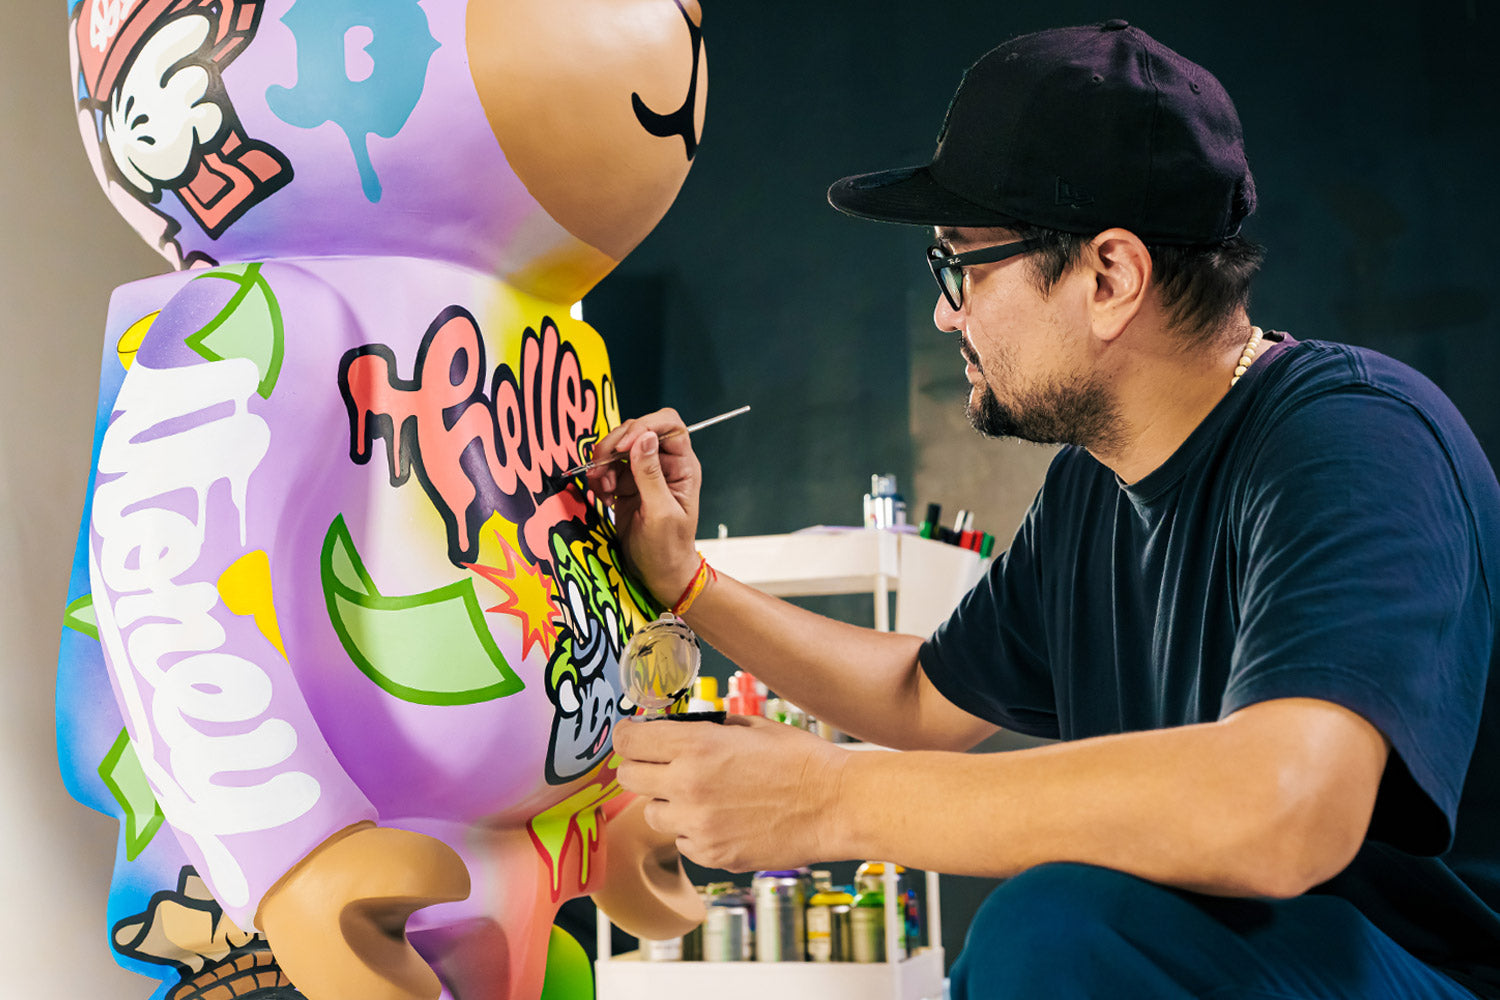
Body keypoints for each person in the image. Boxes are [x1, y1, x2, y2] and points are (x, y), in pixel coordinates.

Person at [589, 21, 1500, 1000]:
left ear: (1109, 277)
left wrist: (829, 797)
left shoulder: (1358, 439)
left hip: (1413, 975)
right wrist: (686, 578)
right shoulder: (1091, 488)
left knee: (1052, 928)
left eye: (963, 265)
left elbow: (1288, 807)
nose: (946, 312)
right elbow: (921, 700)